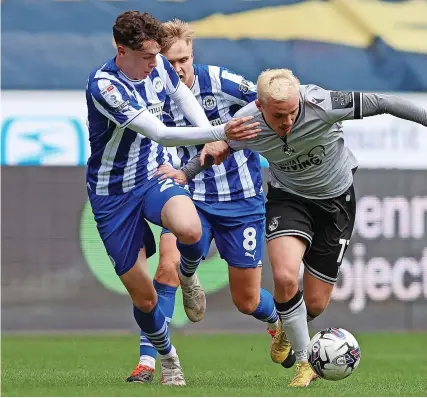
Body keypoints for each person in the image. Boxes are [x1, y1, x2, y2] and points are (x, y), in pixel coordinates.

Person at [192, 68, 427, 386]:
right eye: (279, 115)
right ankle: (305, 363)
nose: (287, 121)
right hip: (288, 199)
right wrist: (191, 167)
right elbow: (215, 147)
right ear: (260, 107)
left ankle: (288, 330)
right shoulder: (247, 121)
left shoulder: (324, 103)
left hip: (336, 204)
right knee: (286, 276)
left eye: (293, 112)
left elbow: (383, 100)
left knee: (314, 304)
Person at [85, 11, 259, 386]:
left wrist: (209, 137)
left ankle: (188, 275)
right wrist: (220, 129)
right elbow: (160, 132)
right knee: (145, 299)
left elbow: (184, 99)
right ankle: (167, 356)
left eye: (157, 56)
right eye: (148, 57)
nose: (157, 64)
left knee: (190, 229)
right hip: (112, 195)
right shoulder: (106, 86)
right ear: (122, 51)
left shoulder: (158, 66)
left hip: (152, 176)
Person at [127, 19, 282, 384]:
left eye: (184, 60)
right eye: (170, 61)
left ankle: (277, 322)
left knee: (246, 300)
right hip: (188, 194)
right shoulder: (152, 94)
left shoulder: (221, 81)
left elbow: (269, 107)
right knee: (166, 268)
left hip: (241, 200)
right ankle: (149, 362)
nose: (178, 68)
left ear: (192, 55)